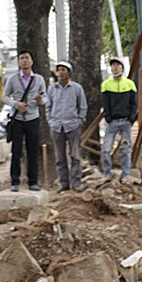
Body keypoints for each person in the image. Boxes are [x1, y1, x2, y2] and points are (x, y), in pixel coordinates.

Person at [2, 50, 48, 189]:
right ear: (18, 62)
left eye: (27, 58)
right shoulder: (12, 79)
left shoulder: (39, 79)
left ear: (32, 61)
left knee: (32, 151)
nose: (24, 61)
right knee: (16, 151)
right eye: (21, 58)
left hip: (33, 118)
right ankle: (14, 182)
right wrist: (16, 104)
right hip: (17, 119)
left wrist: (40, 100)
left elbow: (45, 99)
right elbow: (4, 97)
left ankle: (32, 182)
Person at [45, 61, 88, 191]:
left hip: (72, 126)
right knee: (60, 158)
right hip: (57, 127)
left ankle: (76, 183)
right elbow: (48, 106)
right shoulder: (52, 89)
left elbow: (83, 107)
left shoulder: (77, 88)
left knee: (75, 156)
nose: (61, 72)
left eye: (63, 70)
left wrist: (79, 121)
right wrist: (51, 121)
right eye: (59, 70)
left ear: (69, 73)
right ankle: (63, 183)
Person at [100, 57, 138, 180]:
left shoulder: (130, 84)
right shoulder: (106, 84)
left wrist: (131, 119)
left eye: (117, 65)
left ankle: (125, 174)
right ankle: (107, 172)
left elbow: (134, 104)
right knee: (106, 149)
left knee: (126, 149)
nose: (115, 67)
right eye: (113, 65)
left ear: (122, 67)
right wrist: (108, 118)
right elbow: (105, 104)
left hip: (126, 121)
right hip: (112, 122)